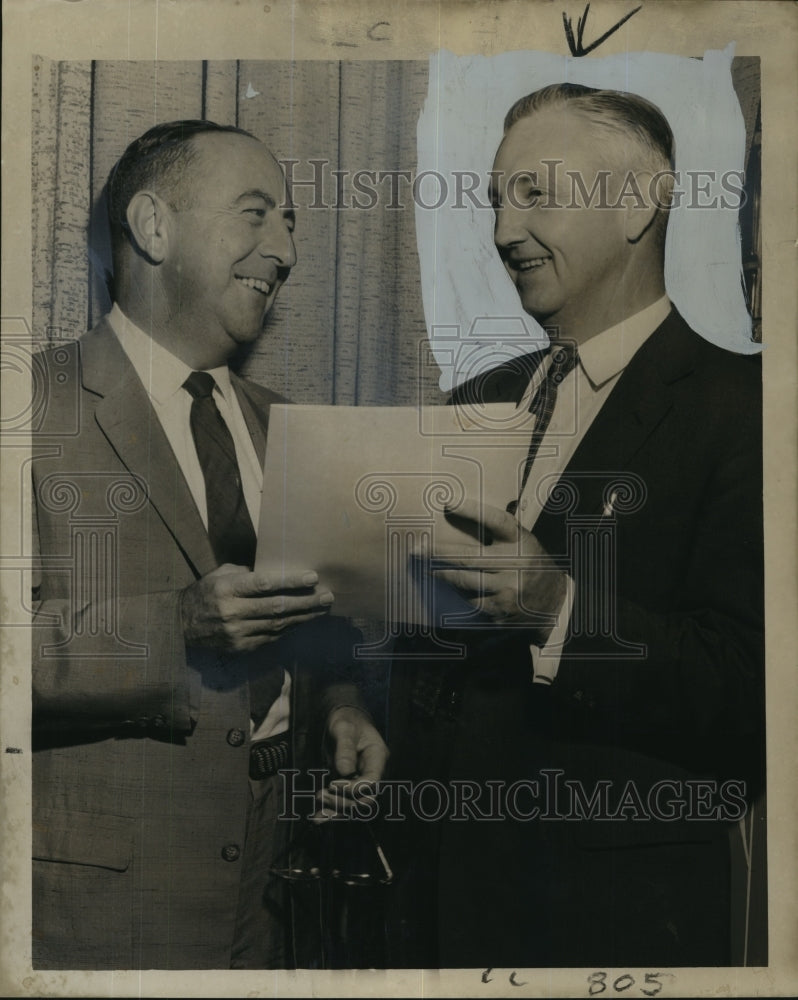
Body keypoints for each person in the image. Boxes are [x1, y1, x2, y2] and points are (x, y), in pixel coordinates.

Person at [387, 84, 764, 968]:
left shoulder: (745, 413)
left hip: (611, 919)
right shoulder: (473, 402)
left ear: (639, 202)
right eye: (494, 200)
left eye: (534, 194)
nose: (502, 231)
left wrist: (560, 607)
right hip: (435, 903)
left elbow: (752, 691)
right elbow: (428, 639)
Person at [30, 120, 388, 970]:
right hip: (101, 912)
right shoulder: (26, 408)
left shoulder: (285, 428)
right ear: (153, 228)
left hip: (272, 900)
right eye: (257, 214)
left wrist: (341, 703)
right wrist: (174, 627)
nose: (287, 250)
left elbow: (312, 620)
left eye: (291, 221)